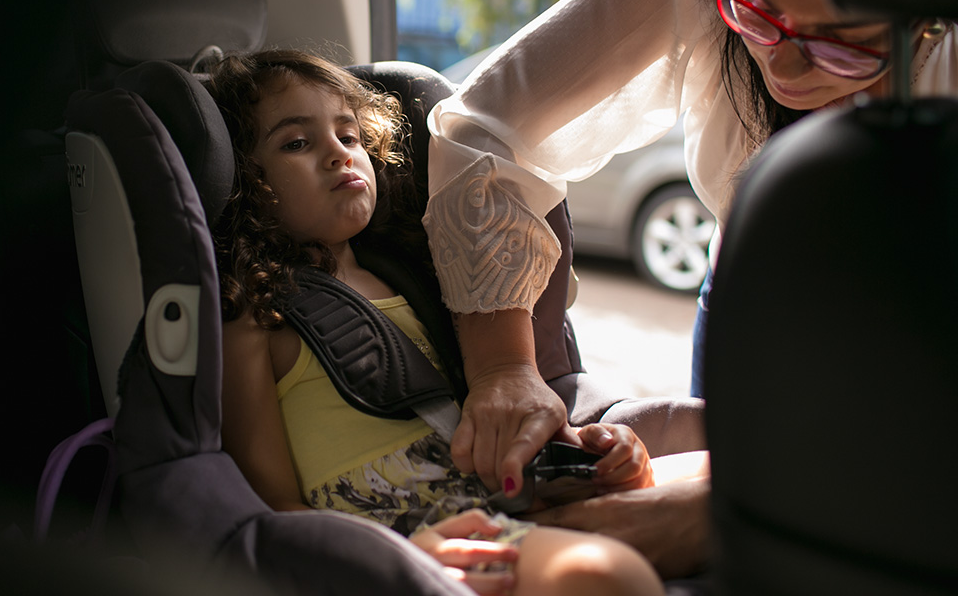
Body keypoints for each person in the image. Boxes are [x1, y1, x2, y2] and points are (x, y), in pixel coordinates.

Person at [420, 0, 958, 578]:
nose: (780, 65)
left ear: (933, 23)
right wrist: (505, 370)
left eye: (839, 48)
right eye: (756, 8)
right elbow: (486, 129)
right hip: (757, 303)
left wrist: (695, 511)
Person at [207, 48, 668, 596]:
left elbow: (470, 432)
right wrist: (397, 560)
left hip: (485, 494)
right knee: (605, 576)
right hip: (397, 538)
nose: (338, 154)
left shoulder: (414, 280)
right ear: (245, 181)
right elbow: (272, 507)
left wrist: (590, 464)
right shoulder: (253, 315)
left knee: (722, 480)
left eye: (349, 136)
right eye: (297, 143)